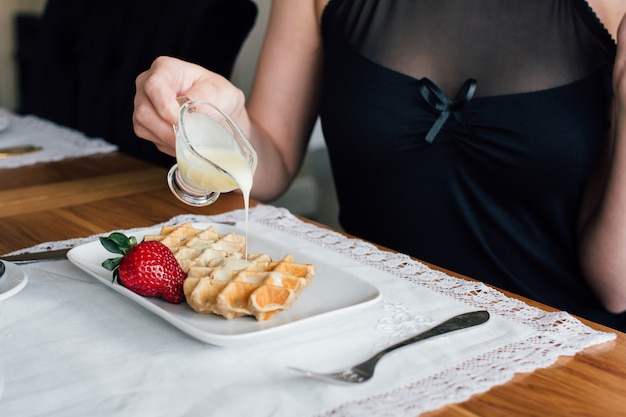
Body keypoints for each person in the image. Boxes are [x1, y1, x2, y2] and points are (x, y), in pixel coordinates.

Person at [133, 0, 626, 331]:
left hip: (560, 352)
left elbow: (616, 287)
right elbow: (273, 164)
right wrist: (217, 120)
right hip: (368, 328)